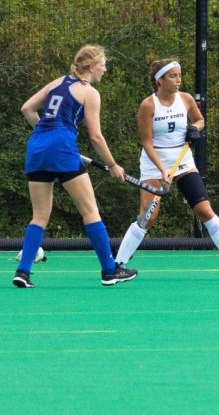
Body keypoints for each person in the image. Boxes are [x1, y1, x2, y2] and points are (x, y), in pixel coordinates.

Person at [113, 59, 219, 279]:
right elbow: (147, 142)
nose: (179, 80)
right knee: (147, 217)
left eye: (180, 75)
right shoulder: (148, 105)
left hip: (183, 162)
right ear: (159, 80)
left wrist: (195, 129)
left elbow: (199, 120)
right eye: (173, 76)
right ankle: (117, 265)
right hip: (154, 163)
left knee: (205, 211)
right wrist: (162, 171)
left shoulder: (186, 99)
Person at [14, 45, 137, 288]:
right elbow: (95, 137)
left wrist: (48, 137)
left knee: (39, 216)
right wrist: (113, 165)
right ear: (91, 67)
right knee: (90, 211)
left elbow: (27, 108)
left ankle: (23, 271)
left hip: (37, 146)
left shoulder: (58, 82)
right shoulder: (90, 93)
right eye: (102, 64)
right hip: (61, 147)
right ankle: (109, 271)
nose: (105, 68)